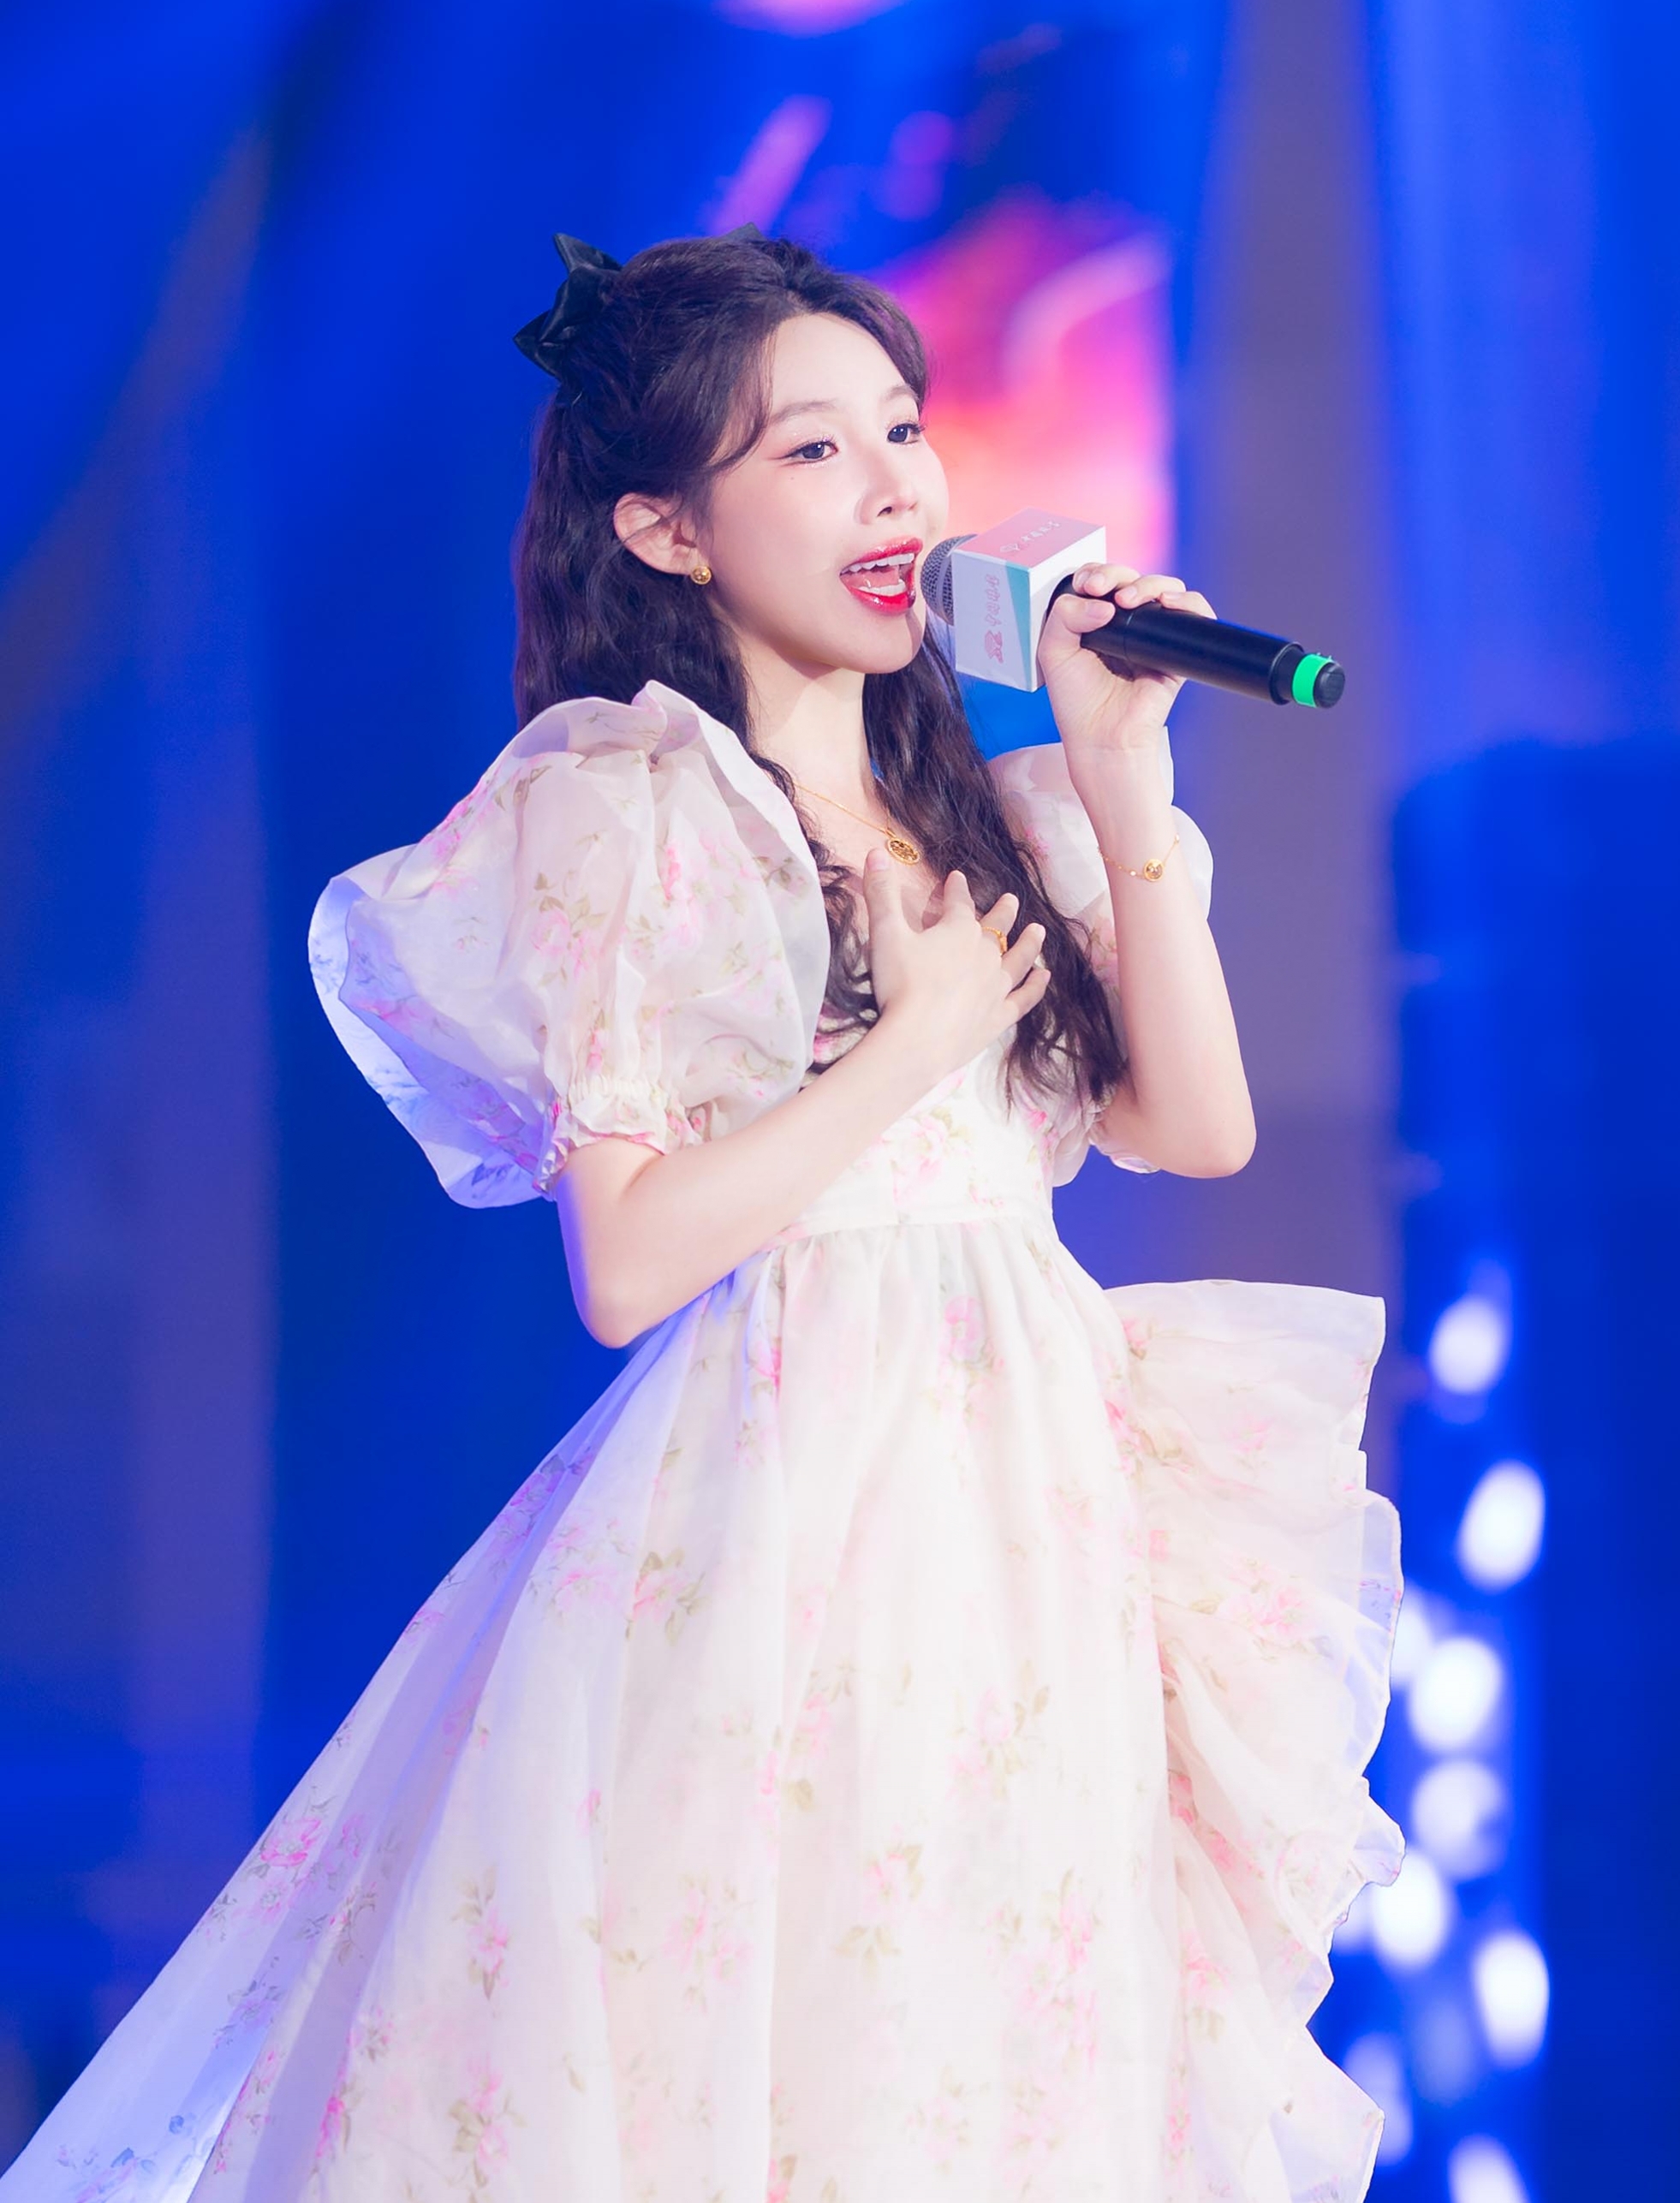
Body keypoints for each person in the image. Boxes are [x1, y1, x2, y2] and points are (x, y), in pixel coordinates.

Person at [3, 229, 1401, 2201]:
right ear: (667, 530)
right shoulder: (633, 809)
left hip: (1037, 1511)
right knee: (788, 2054)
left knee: (1002, 2058)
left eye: (901, 431)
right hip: (798, 1512)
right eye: (811, 451)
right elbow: (633, 1259)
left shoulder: (990, 813)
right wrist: (911, 1046)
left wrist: (1116, 764)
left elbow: (1196, 1126)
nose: (892, 488)